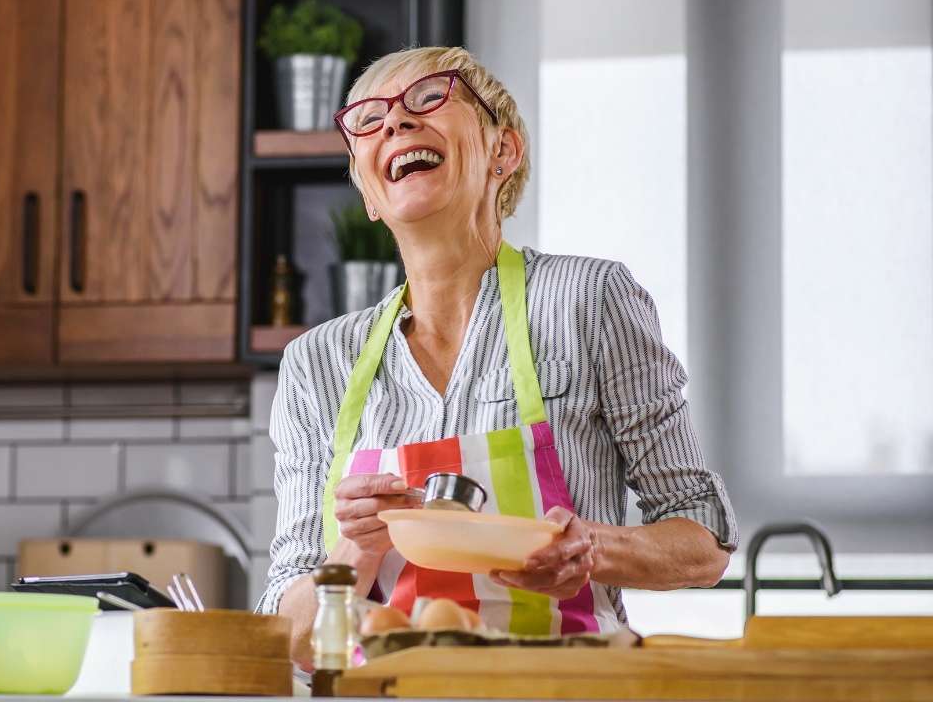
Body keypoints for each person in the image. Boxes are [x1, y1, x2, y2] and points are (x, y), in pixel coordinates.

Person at [256, 46, 737, 667]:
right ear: (370, 196)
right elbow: (287, 627)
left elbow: (703, 541)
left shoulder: (587, 301)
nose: (397, 122)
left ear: (502, 153)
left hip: (568, 687)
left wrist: (591, 548)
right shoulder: (317, 363)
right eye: (369, 120)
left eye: (430, 97)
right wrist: (357, 551)